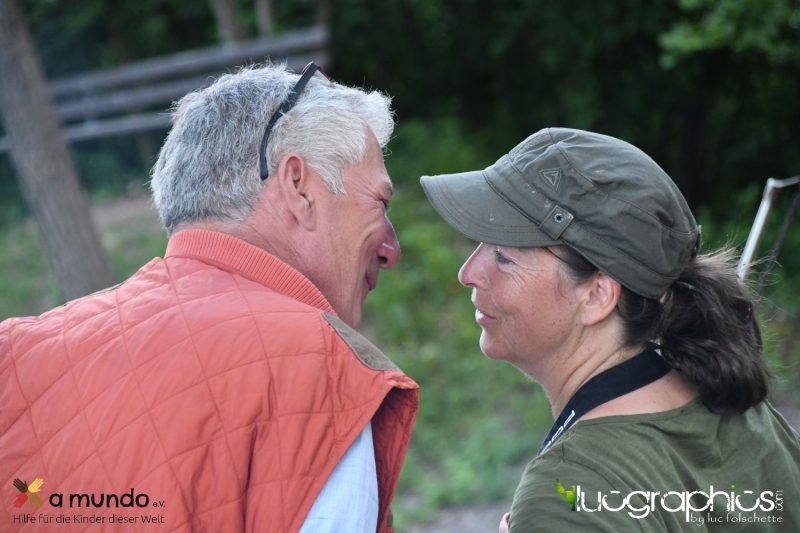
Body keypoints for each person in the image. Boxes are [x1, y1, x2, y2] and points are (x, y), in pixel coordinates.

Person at [0, 62, 418, 533]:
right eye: (379, 203)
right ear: (299, 187)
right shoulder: (321, 370)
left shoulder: (15, 353)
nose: (391, 249)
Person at [420, 127, 800, 532]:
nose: (468, 273)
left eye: (503, 257)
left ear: (597, 295)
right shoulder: (744, 409)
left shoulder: (566, 494)